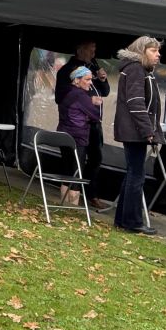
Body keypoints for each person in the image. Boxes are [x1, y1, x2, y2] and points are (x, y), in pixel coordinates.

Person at [112, 36, 164, 235]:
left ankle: (122, 219)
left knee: (133, 173)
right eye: (153, 51)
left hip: (134, 131)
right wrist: (147, 131)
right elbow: (136, 102)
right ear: (142, 52)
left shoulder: (140, 70)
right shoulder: (135, 69)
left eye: (158, 51)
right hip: (134, 132)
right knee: (137, 175)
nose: (158, 54)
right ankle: (132, 222)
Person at [54, 40, 110, 208]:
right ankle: (72, 199)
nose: (94, 54)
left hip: (93, 124)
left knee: (96, 158)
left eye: (95, 50)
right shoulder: (67, 71)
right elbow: (60, 97)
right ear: (80, 50)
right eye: (91, 50)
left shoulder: (93, 68)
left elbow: (105, 92)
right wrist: (86, 100)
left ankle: (90, 193)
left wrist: (103, 79)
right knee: (74, 161)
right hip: (76, 125)